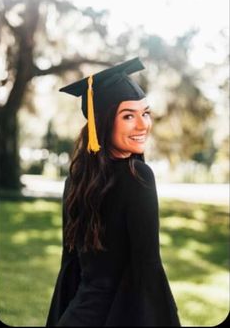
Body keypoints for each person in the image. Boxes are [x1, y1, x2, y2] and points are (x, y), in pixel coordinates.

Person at [46, 57, 181, 327]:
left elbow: (70, 266)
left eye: (145, 113)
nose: (143, 125)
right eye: (128, 115)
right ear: (104, 122)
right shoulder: (138, 177)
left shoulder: (76, 178)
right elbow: (147, 269)